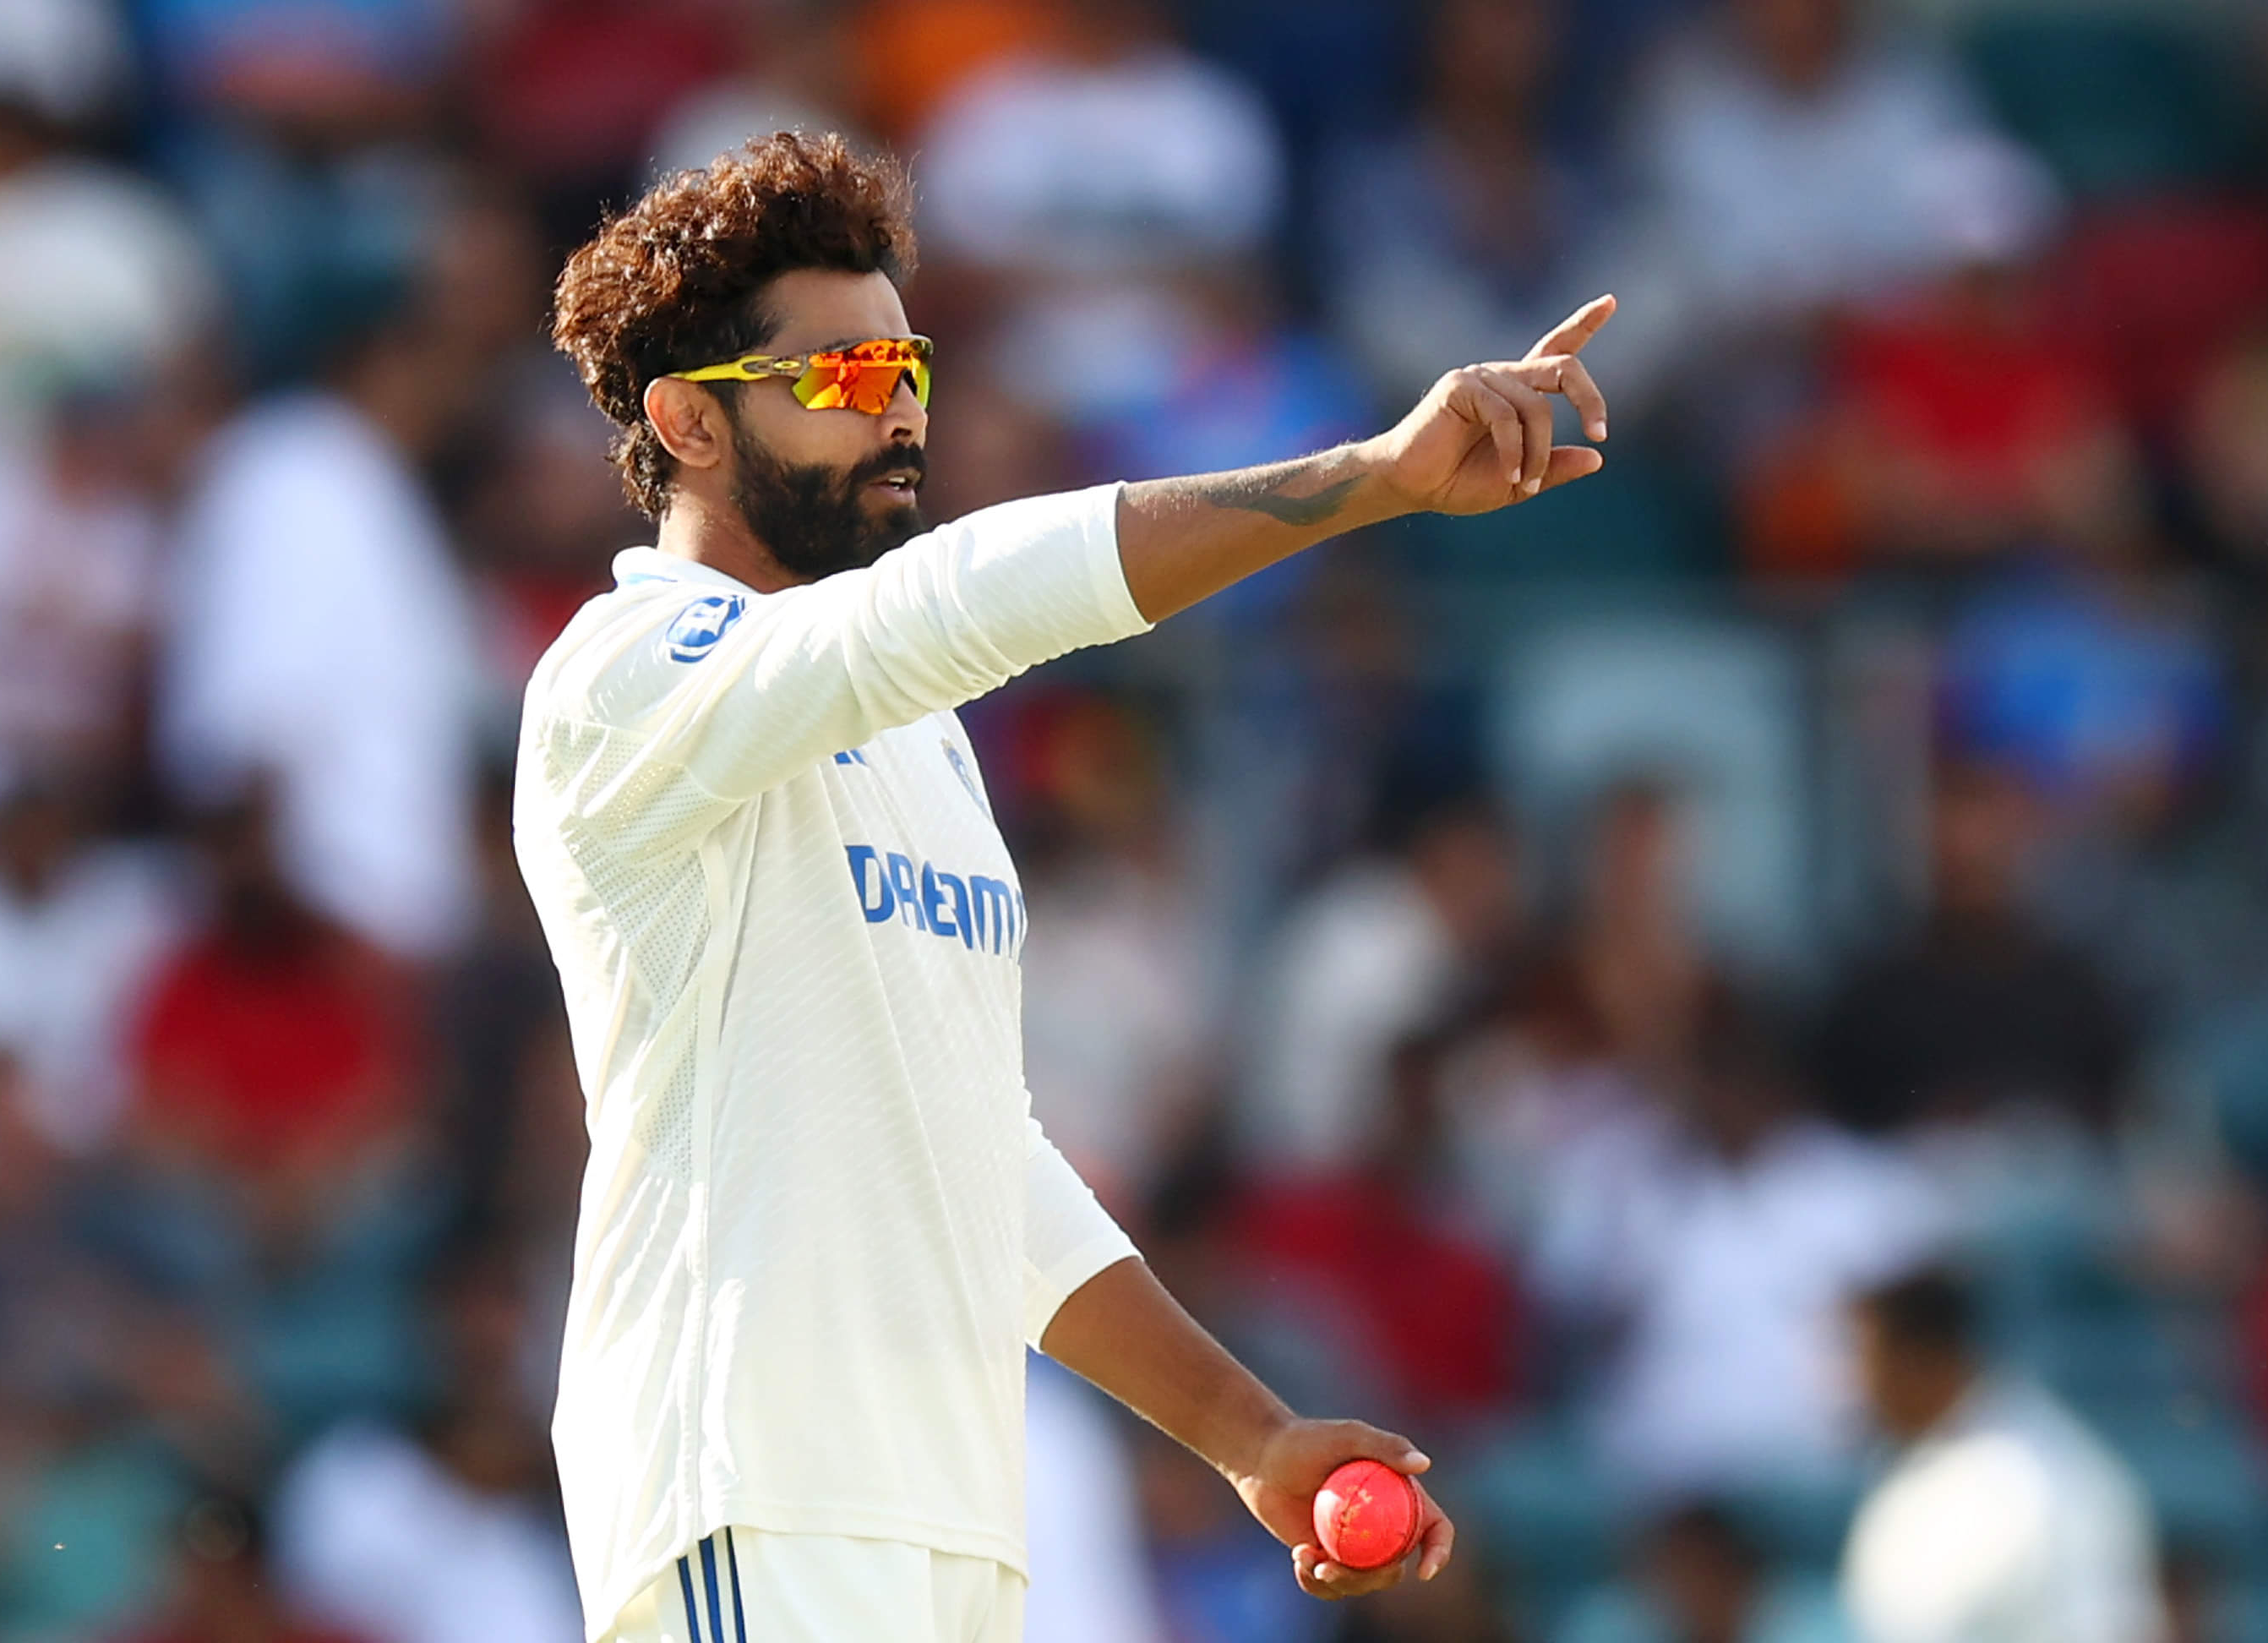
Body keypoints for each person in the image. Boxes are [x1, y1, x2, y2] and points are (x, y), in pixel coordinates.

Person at [526, 131, 1614, 1641]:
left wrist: (1250, 1437)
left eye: (906, 364)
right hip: (749, 1483)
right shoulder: (624, 676)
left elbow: (987, 1156)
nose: (898, 407)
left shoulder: (921, 742)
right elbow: (951, 605)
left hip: (956, 1518)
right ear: (686, 427)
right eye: (839, 379)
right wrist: (1367, 480)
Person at [1840, 1265, 2163, 1643]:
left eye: (1862, 1358)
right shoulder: (1913, 1462)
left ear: (1916, 1357)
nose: (1850, 1385)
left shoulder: (2050, 1481)